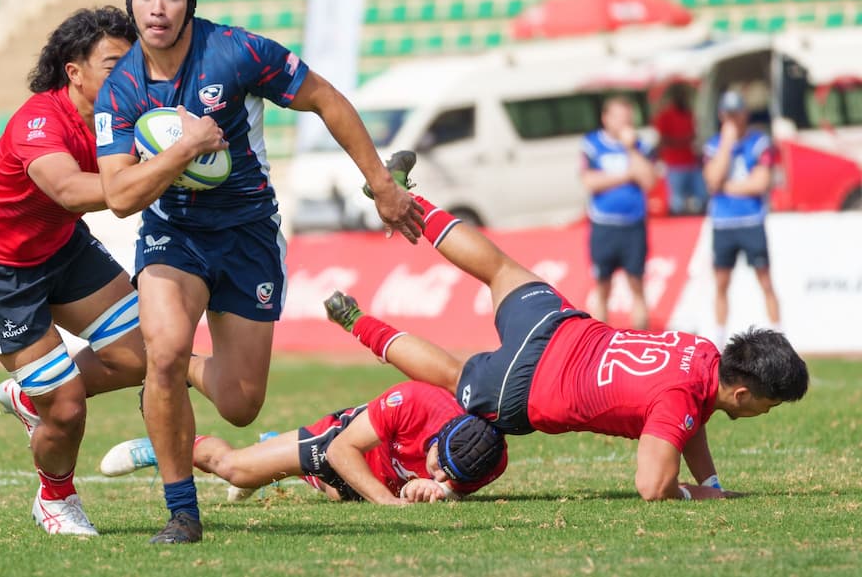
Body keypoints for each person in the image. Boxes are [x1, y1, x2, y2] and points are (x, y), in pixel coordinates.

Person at [94, 0, 423, 544]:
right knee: (161, 350)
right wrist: (183, 151)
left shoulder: (238, 52)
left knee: (242, 404)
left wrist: (380, 183)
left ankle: (179, 371)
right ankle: (183, 512)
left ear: (189, 3)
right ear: (131, 3)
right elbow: (118, 196)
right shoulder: (120, 89)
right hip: (175, 235)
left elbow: (324, 96)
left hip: (248, 234)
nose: (157, 9)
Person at [324, 151, 808, 502]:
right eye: (770, 404)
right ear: (743, 393)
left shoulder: (702, 353)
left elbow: (691, 421)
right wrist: (700, 497)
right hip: (528, 388)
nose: (768, 413)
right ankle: (356, 321)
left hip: (558, 324)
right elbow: (653, 486)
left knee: (499, 268)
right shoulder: (679, 400)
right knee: (454, 374)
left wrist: (711, 483)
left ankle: (408, 197)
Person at [0, 7, 153, 536]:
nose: (128, 76)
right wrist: (164, 168)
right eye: (113, 65)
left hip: (62, 246)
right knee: (66, 409)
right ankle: (55, 499)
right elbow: (68, 190)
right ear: (73, 71)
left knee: (146, 355)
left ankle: (29, 395)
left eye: (134, 65)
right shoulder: (40, 120)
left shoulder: (131, 113)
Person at [99, 380, 507, 505]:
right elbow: (339, 450)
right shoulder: (415, 402)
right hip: (342, 445)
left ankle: (277, 451)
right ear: (440, 434)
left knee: (333, 494)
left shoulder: (487, 459)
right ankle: (163, 447)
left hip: (360, 484)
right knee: (235, 469)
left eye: (448, 475)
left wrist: (443, 491)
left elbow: (454, 490)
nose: (434, 473)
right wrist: (391, 502)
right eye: (434, 463)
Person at [703, 90, 781, 349]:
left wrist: (725, 186)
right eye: (729, 115)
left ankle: (779, 337)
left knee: (765, 280)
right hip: (723, 223)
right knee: (721, 282)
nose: (734, 120)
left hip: (751, 221)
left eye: (737, 114)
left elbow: (760, 183)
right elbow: (712, 180)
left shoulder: (759, 142)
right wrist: (727, 144)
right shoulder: (714, 145)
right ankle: (719, 338)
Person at [580, 96, 656, 330]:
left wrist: (631, 148)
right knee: (603, 286)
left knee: (637, 285)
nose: (625, 123)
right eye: (619, 118)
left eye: (628, 119)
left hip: (633, 226)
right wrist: (625, 176)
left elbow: (649, 180)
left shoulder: (640, 146)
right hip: (604, 226)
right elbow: (590, 181)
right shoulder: (592, 144)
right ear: (606, 118)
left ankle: (642, 342)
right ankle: (598, 342)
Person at [652, 83, 707, 215]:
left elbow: (694, 135)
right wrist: (682, 141)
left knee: (701, 197)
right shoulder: (665, 116)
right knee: (677, 202)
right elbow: (663, 139)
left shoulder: (689, 114)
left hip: (691, 161)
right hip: (674, 164)